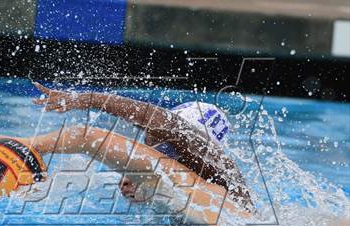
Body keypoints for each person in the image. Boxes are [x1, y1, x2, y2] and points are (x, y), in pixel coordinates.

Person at [31, 82, 253, 212]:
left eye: (162, 148)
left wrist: (88, 99)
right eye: (149, 141)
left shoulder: (224, 187)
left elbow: (164, 123)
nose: (148, 154)